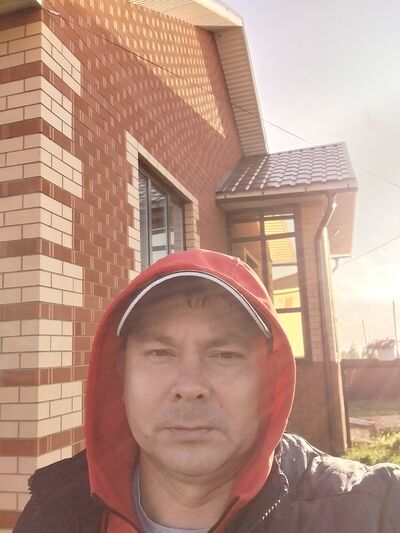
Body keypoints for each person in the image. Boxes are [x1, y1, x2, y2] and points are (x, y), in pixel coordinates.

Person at [14, 249, 400, 532]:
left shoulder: (370, 511)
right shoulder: (52, 515)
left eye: (225, 355)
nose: (190, 387)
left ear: (268, 380)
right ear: (122, 376)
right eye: (160, 352)